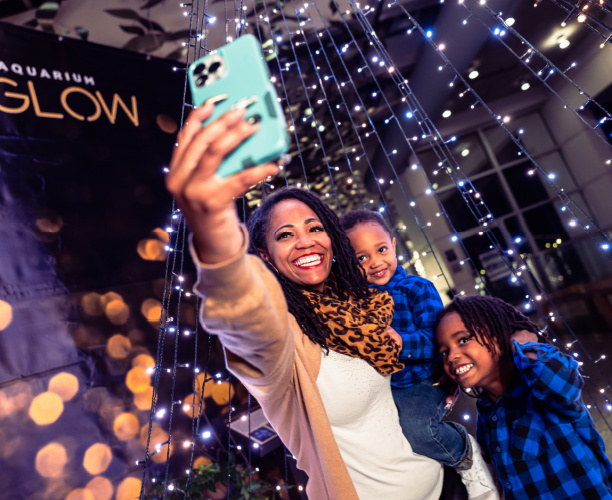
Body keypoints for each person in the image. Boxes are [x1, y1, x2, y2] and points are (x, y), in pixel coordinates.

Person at [166, 101, 443, 499]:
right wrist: (214, 230)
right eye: (285, 235)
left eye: (314, 227)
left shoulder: (365, 304)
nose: (305, 240)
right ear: (265, 256)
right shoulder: (285, 338)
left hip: (441, 483)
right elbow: (246, 312)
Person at [340, 210, 497, 500]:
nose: (375, 263)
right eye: (361, 258)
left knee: (419, 431)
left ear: (393, 245)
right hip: (384, 387)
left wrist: (402, 342)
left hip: (421, 381)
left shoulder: (416, 288)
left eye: (381, 250)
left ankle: (465, 452)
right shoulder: (354, 304)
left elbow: (440, 343)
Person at [435, 295, 612, 500]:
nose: (452, 356)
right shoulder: (486, 413)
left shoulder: (543, 391)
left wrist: (523, 346)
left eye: (463, 340)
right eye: (444, 352)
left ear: (499, 335)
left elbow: (564, 378)